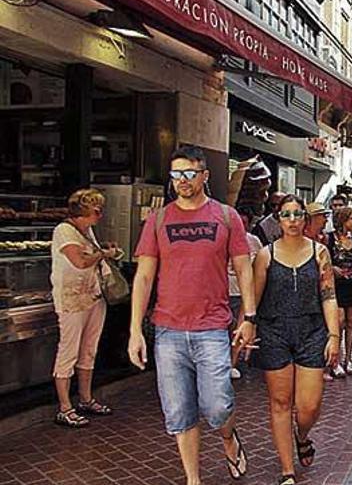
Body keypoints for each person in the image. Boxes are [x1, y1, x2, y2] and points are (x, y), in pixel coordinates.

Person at [127, 146, 257, 485]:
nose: (182, 181)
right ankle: (193, 479)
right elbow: (143, 277)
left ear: (204, 176)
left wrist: (249, 316)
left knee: (217, 406)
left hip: (212, 327)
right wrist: (134, 331)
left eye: (189, 174)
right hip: (167, 330)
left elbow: (244, 269)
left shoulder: (226, 217)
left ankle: (228, 437)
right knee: (179, 412)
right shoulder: (158, 219)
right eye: (176, 174)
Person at [251, 195, 340, 485]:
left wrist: (334, 335)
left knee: (308, 405)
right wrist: (246, 326)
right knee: (280, 402)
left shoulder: (320, 252)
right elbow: (254, 298)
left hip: (311, 331)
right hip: (275, 331)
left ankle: (302, 435)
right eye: (286, 215)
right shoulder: (265, 255)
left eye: (297, 214)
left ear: (305, 218)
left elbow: (328, 295)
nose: (292, 220)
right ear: (278, 219)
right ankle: (287, 470)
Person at [50, 188, 119, 428]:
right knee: (68, 350)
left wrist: (103, 252)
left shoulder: (87, 230)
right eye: (96, 210)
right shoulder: (64, 231)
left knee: (89, 349)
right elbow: (79, 262)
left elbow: (91, 258)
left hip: (93, 297)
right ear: (84, 211)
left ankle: (86, 398)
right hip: (71, 299)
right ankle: (64, 407)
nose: (100, 215)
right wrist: (103, 254)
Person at [228, 209, 263, 380]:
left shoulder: (254, 241)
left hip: (243, 293)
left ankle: (233, 362)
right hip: (225, 290)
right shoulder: (225, 237)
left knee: (238, 328)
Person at [328, 206, 352, 377]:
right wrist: (333, 269)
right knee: (339, 321)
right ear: (343, 220)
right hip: (337, 285)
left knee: (351, 322)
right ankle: (335, 359)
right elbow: (325, 261)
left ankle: (348, 359)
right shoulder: (330, 239)